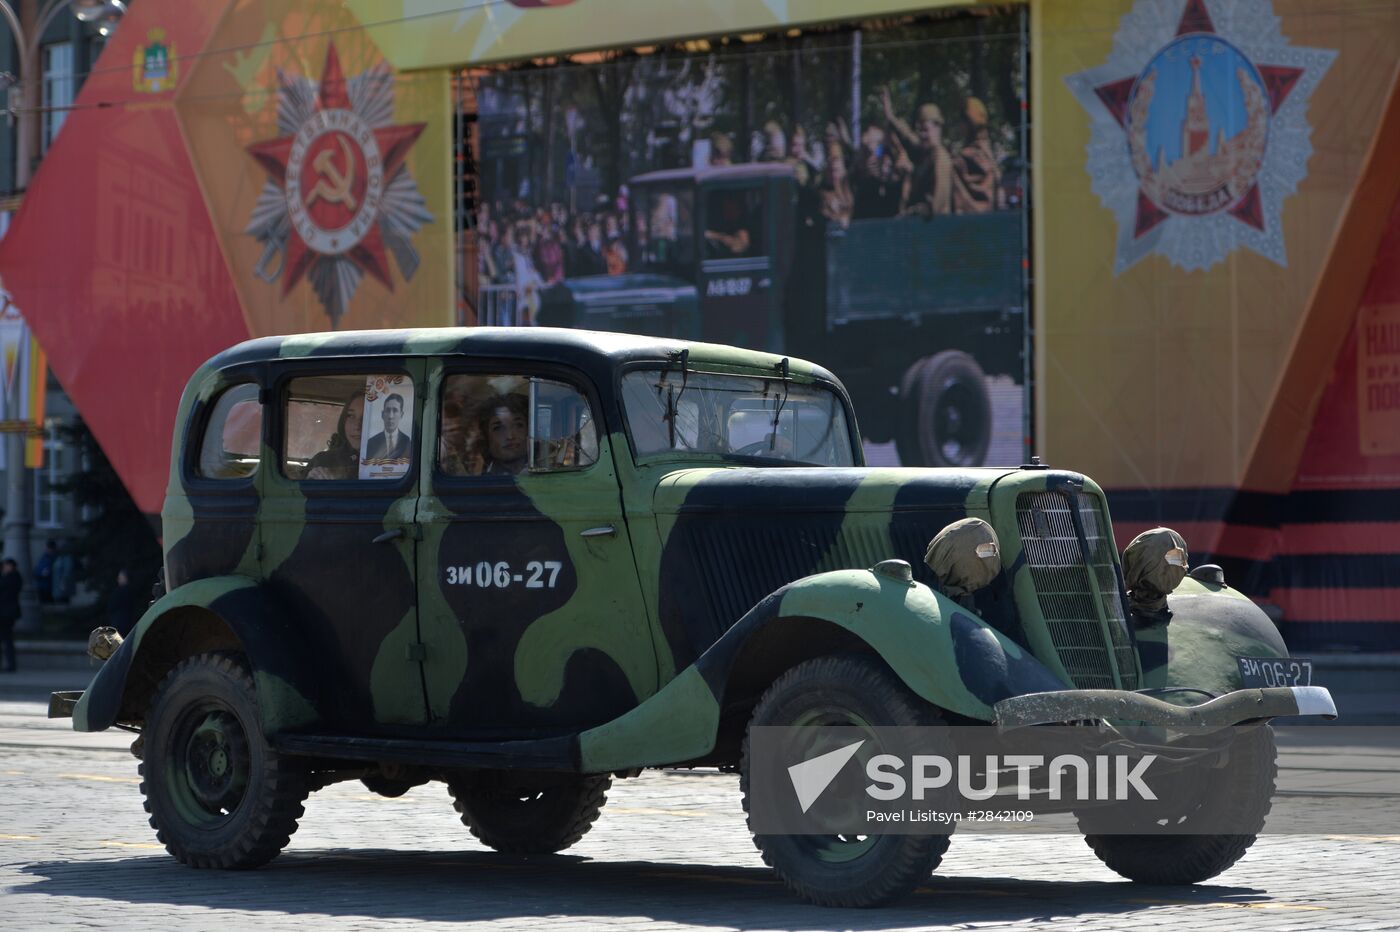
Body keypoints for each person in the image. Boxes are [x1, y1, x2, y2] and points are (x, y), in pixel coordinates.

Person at [881, 86, 955, 216]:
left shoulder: (940, 158)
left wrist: (908, 214)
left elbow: (934, 205)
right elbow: (908, 137)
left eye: (926, 130)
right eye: (919, 131)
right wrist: (890, 116)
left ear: (938, 128)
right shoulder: (926, 151)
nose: (922, 135)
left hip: (935, 230)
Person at [952, 96, 1004, 214]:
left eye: (961, 121)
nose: (959, 126)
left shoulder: (966, 158)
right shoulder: (988, 154)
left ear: (968, 123)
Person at [305, 392, 365, 479]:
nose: (357, 426)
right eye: (350, 416)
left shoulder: (388, 464)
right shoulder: (323, 460)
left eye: (366, 417)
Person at [476, 393, 530, 475]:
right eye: (498, 428)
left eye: (518, 425)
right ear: (486, 436)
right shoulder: (480, 479)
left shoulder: (547, 472)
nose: (510, 436)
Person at [364, 392, 410, 463]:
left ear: (401, 415)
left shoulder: (407, 442)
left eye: (395, 411)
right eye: (388, 410)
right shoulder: (371, 443)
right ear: (382, 414)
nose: (390, 416)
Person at [703, 190, 752, 257]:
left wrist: (716, 236)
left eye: (731, 204)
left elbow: (741, 246)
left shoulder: (742, 224)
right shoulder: (720, 222)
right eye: (724, 205)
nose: (727, 208)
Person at [0, 558, 20, 673]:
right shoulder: (10, 578)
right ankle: (9, 664)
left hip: (5, 615)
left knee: (7, 640)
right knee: (7, 640)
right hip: (6, 614)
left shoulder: (12, 578)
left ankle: (10, 665)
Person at [108, 569, 137, 637]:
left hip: (119, 623)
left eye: (120, 578)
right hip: (127, 623)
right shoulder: (131, 591)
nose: (118, 580)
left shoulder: (120, 591)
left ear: (125, 579)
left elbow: (112, 606)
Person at [34, 540, 57, 604]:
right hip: (42, 585)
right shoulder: (44, 557)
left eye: (51, 548)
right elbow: (37, 569)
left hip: (49, 586)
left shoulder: (54, 558)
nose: (49, 550)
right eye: (48, 548)